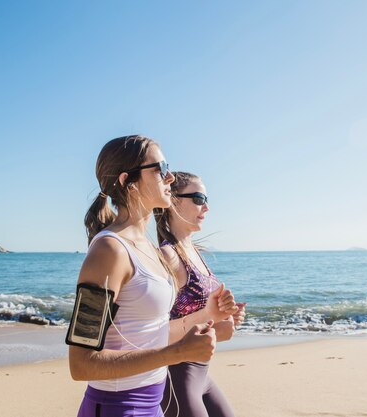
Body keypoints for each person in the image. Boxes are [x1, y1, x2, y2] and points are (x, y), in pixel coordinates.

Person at [69, 135, 236, 417]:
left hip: (152, 405)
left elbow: (152, 332)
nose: (169, 176)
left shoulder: (150, 250)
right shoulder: (109, 251)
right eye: (160, 168)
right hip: (116, 408)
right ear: (128, 181)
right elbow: (82, 363)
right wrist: (178, 354)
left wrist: (207, 317)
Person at [155, 171, 246, 417]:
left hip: (201, 374)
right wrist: (211, 317)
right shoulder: (168, 255)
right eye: (197, 198)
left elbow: (200, 319)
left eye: (206, 199)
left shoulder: (195, 251)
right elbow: (155, 330)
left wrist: (226, 317)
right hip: (176, 377)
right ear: (173, 201)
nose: (205, 207)